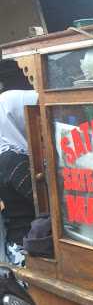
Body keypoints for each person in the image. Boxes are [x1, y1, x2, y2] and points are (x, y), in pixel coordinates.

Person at [0, 89, 38, 265]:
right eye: (32, 114)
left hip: (22, 241)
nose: (39, 120)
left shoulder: (10, 150)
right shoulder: (13, 159)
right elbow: (43, 200)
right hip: (28, 249)